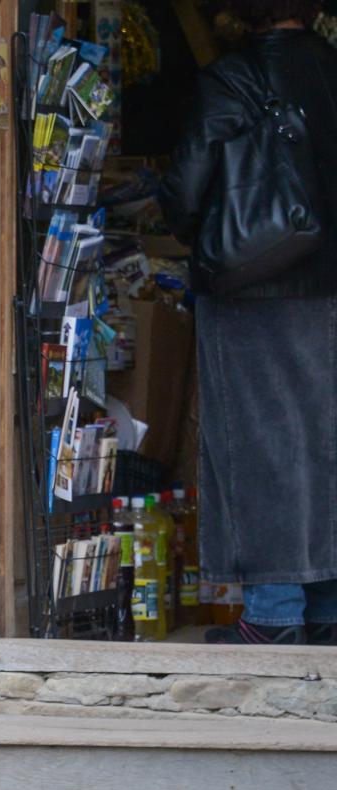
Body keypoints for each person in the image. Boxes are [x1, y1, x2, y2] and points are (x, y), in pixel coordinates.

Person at [158, 0, 337, 645]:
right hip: (330, 288)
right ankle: (326, 609)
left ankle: (273, 614)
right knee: (325, 445)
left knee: (261, 446)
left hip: (256, 288)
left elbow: (185, 190)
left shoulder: (232, 80)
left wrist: (200, 233)